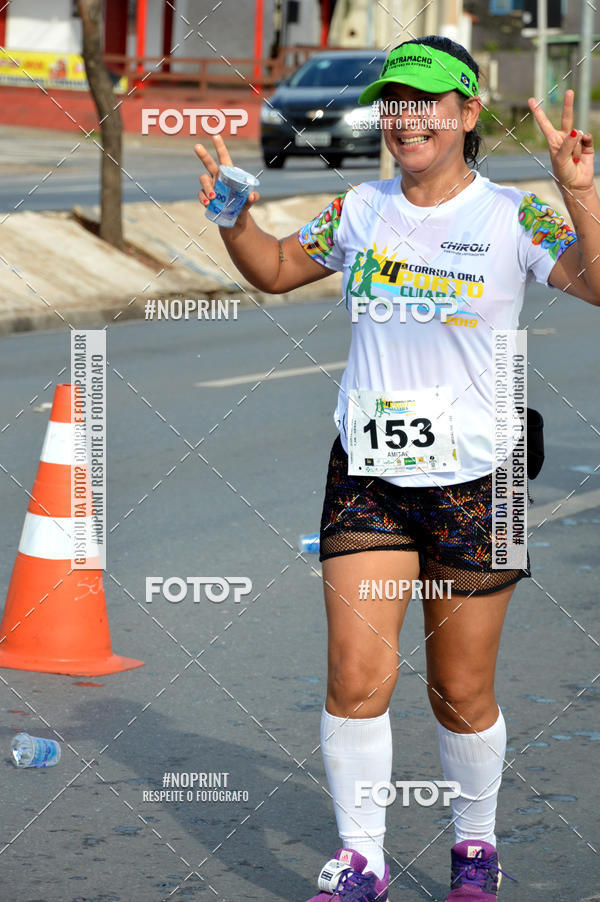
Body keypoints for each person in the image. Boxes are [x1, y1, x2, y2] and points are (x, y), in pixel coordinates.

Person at [194, 35, 599, 902]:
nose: (405, 118)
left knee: (460, 691)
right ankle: (362, 860)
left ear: (465, 112)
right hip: (369, 476)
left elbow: (597, 282)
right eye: (394, 102)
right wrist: (233, 218)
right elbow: (274, 268)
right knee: (354, 678)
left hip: (483, 484)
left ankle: (475, 848)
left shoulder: (514, 217)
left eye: (424, 102)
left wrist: (579, 191)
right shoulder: (359, 209)